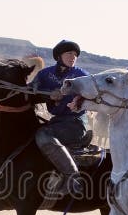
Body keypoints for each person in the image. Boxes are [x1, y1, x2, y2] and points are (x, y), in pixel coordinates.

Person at [31, 39, 90, 195]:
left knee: (42, 135)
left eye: (76, 54)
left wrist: (78, 99)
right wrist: (48, 96)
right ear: (59, 56)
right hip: (57, 122)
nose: (73, 57)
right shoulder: (45, 74)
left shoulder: (81, 76)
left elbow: (92, 94)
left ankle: (73, 177)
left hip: (75, 123)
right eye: (69, 53)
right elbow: (30, 91)